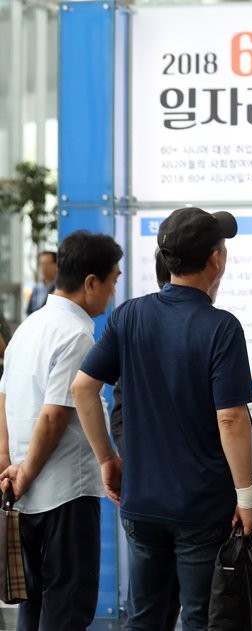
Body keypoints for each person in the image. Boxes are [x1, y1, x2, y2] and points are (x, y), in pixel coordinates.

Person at [72, 207, 252, 631]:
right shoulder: (221, 327)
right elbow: (231, 418)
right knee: (200, 618)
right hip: (201, 507)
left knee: (144, 617)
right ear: (216, 259)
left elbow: (83, 388)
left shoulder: (129, 315)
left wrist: (107, 459)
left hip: (142, 503)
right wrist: (247, 499)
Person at [0, 231, 123, 631]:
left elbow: (4, 398)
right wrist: (27, 472)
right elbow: (54, 416)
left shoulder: (28, 327)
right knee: (67, 606)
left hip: (24, 492)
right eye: (113, 281)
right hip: (65, 494)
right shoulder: (76, 334)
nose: (113, 291)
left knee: (32, 605)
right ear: (91, 283)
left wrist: (10, 465)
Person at [26, 250, 57, 316]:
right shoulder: (37, 288)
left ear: (56, 265)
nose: (44, 267)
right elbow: (29, 312)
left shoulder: (60, 287)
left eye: (47, 263)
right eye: (41, 264)